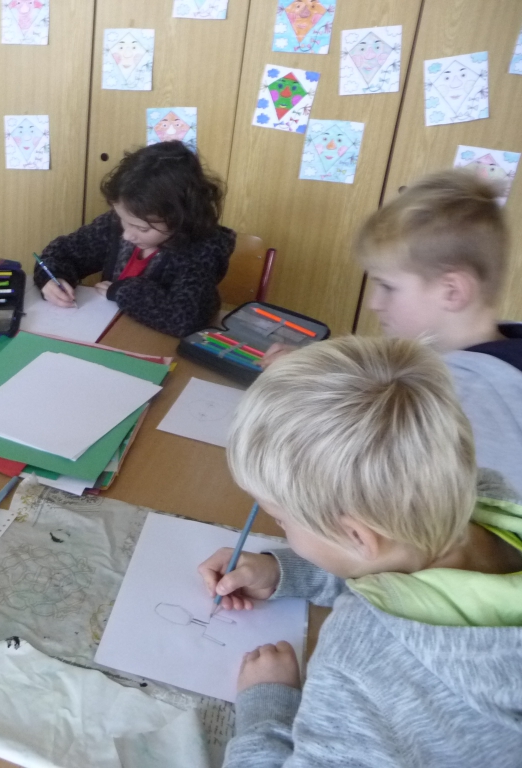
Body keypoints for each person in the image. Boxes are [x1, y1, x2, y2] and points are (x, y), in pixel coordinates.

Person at [198, 335, 522, 767]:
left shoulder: (359, 664)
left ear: (356, 536)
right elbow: (403, 557)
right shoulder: (488, 496)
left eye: (282, 520)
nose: (281, 528)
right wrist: (284, 572)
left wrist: (267, 706)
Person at [359, 169, 522, 493]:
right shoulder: (502, 352)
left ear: (452, 292)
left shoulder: (469, 395)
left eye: (387, 287)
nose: (373, 303)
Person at [33, 140, 235, 338]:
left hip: (157, 345)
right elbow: (62, 252)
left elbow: (185, 318)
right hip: (106, 334)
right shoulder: (115, 224)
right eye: (123, 220)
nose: (127, 234)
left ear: (180, 219)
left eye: (142, 228)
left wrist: (123, 291)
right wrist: (52, 278)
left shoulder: (203, 249)